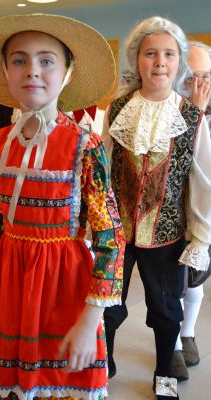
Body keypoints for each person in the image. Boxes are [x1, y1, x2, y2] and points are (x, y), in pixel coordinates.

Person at [0, 13, 125, 400]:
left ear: (67, 72)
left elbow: (112, 239)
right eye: (19, 60)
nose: (32, 71)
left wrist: (90, 320)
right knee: (12, 391)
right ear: (5, 70)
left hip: (66, 292)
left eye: (47, 60)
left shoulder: (85, 147)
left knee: (61, 390)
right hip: (12, 288)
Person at [102, 16, 211, 400]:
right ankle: (105, 362)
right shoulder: (116, 110)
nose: (159, 61)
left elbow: (202, 181)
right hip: (116, 229)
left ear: (178, 61)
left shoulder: (192, 115)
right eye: (151, 53)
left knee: (166, 309)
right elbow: (104, 170)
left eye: (168, 53)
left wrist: (201, 234)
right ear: (137, 59)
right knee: (108, 303)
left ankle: (164, 371)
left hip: (166, 233)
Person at [171, 41, 211, 381]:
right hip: (171, 214)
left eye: (207, 77)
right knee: (173, 285)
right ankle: (169, 348)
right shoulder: (168, 110)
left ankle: (188, 333)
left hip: (205, 214)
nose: (200, 87)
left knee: (196, 283)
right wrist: (193, 115)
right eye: (191, 78)